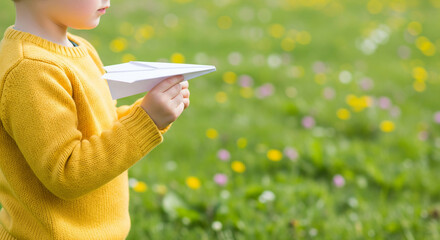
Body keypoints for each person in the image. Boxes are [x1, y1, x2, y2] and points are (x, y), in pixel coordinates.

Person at [0, 0, 190, 238]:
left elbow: (100, 126)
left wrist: (148, 112)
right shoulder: (31, 70)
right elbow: (66, 173)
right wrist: (147, 121)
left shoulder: (80, 48)